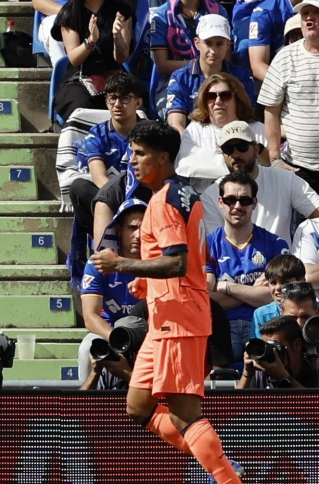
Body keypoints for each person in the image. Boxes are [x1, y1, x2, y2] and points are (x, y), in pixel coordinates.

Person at [90, 120, 244, 483]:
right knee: (138, 406)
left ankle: (225, 475)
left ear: (163, 158)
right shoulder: (181, 194)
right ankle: (219, 463)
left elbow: (177, 261)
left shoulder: (163, 203)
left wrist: (122, 264)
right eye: (131, 152)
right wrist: (145, 281)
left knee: (183, 414)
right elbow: (184, 258)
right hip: (166, 318)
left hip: (179, 319)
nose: (132, 160)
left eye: (140, 153)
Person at [205, 171, 288, 361]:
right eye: (230, 200)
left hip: (265, 324)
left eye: (245, 200)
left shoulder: (275, 243)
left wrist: (226, 287)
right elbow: (207, 299)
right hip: (221, 326)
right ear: (220, 202)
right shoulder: (207, 245)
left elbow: (277, 296)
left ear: (255, 203)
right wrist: (252, 292)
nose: (237, 206)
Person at [200, 121, 319, 246]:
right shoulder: (211, 195)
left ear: (256, 149)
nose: (235, 154)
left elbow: (315, 210)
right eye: (228, 149)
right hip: (235, 264)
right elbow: (217, 246)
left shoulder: (285, 179)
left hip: (281, 262)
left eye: (242, 147)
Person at [69, 72, 143, 238]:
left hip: (144, 196)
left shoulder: (150, 132)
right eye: (112, 98)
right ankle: (105, 239)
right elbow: (99, 178)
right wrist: (124, 204)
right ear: (106, 102)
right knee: (79, 188)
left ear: (138, 102)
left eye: (124, 98)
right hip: (112, 198)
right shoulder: (96, 135)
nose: (117, 104)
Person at [78, 199, 144, 383]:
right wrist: (116, 339)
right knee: (86, 348)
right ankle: (85, 406)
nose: (138, 235)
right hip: (108, 333)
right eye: (132, 228)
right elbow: (90, 316)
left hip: (146, 334)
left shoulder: (158, 266)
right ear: (118, 230)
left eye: (144, 228)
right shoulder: (98, 263)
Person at [258, 0, 319, 193]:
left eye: (316, 12)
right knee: (304, 224)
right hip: (300, 169)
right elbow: (270, 110)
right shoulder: (285, 57)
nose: (309, 17)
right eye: (305, 13)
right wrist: (275, 158)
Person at [175, 74, 268, 194]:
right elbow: (184, 165)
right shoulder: (195, 129)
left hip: (251, 199)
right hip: (205, 197)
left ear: (237, 99)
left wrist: (205, 157)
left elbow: (270, 166)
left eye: (225, 96)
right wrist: (242, 163)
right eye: (211, 96)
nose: (218, 102)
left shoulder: (257, 128)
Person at [166, 14, 256, 134]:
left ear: (228, 44)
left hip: (234, 141)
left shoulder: (243, 77)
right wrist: (191, 148)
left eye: (219, 44)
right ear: (197, 43)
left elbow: (248, 118)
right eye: (208, 43)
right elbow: (175, 124)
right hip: (192, 142)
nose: (213, 51)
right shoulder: (180, 78)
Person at [49, 0, 134, 122]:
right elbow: (74, 59)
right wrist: (91, 41)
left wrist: (117, 37)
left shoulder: (122, 10)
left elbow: (121, 57)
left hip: (114, 76)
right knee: (82, 107)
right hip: (79, 79)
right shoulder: (70, 12)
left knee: (129, 103)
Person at [148, 0, 227, 113]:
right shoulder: (161, 15)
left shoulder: (217, 10)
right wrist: (200, 65)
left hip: (215, 75)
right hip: (173, 80)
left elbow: (225, 57)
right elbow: (162, 65)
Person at [238, 315, 318, 388]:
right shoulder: (261, 369)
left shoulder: (314, 369)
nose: (270, 352)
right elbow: (237, 403)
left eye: (275, 347)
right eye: (266, 347)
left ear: (296, 345)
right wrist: (247, 374)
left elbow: (313, 403)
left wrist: (284, 377)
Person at [79, 315, 147, 391]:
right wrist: (95, 373)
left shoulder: (152, 366)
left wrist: (127, 374)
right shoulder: (113, 364)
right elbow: (81, 402)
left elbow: (158, 398)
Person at [237, 0, 294, 81]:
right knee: (244, 47)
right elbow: (258, 65)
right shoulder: (263, 12)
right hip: (282, 74)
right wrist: (289, 86)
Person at [250, 255, 306, 333]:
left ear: (302, 281)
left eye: (285, 282)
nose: (277, 288)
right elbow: (259, 344)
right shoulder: (261, 315)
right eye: (273, 283)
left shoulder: (314, 310)